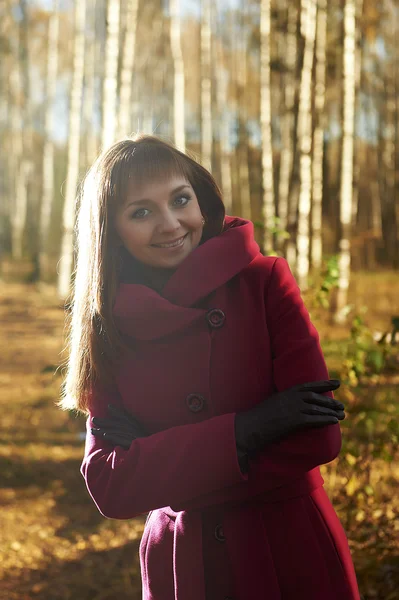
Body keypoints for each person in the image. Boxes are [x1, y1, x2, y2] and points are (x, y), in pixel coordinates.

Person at [60, 134, 360, 600]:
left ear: (201, 200)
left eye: (181, 199)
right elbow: (109, 483)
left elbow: (318, 436)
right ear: (109, 231)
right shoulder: (107, 326)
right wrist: (250, 429)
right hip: (183, 566)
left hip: (287, 549)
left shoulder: (265, 281)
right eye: (141, 212)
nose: (170, 223)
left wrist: (164, 469)